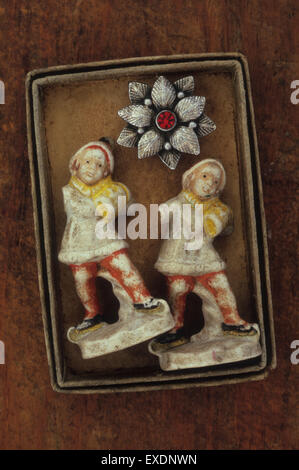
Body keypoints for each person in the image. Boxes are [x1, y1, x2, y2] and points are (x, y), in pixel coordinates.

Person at [58, 138, 160, 339]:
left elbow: (128, 203)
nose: (91, 168)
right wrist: (106, 202)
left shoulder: (110, 190)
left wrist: (116, 197)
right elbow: (85, 209)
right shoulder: (68, 191)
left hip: (105, 240)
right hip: (78, 244)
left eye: (99, 165)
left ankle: (142, 299)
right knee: (82, 278)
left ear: (105, 173)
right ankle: (92, 314)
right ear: (76, 163)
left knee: (123, 266)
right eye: (87, 162)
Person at [153, 158, 258, 351]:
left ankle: (231, 320)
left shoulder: (218, 209)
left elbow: (216, 227)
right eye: (204, 176)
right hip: (177, 257)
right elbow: (163, 213)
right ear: (190, 178)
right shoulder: (176, 203)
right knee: (178, 290)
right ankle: (175, 329)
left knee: (220, 286)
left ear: (217, 190)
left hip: (204, 258)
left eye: (215, 181)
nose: (209, 182)